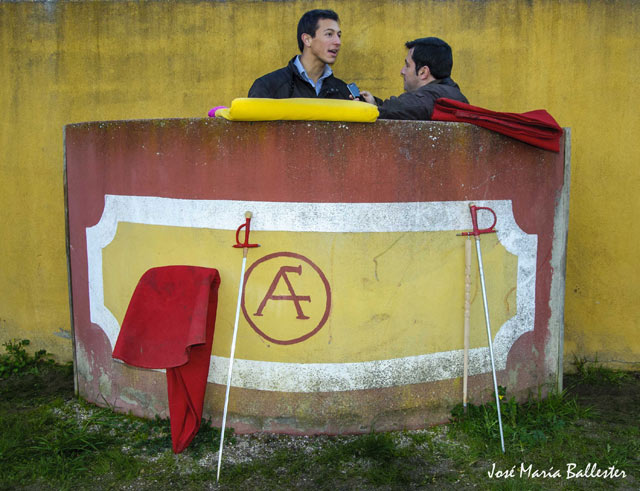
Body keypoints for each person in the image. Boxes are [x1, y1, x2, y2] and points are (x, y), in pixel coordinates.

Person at [248, 9, 352, 99]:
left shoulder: (345, 93)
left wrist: (366, 108)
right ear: (307, 40)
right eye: (329, 34)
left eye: (339, 35)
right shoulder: (267, 86)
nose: (338, 42)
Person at [361, 37, 468, 120]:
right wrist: (374, 103)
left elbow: (398, 108)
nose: (402, 72)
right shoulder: (450, 93)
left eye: (407, 65)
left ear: (423, 72)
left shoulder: (429, 98)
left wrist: (375, 108)